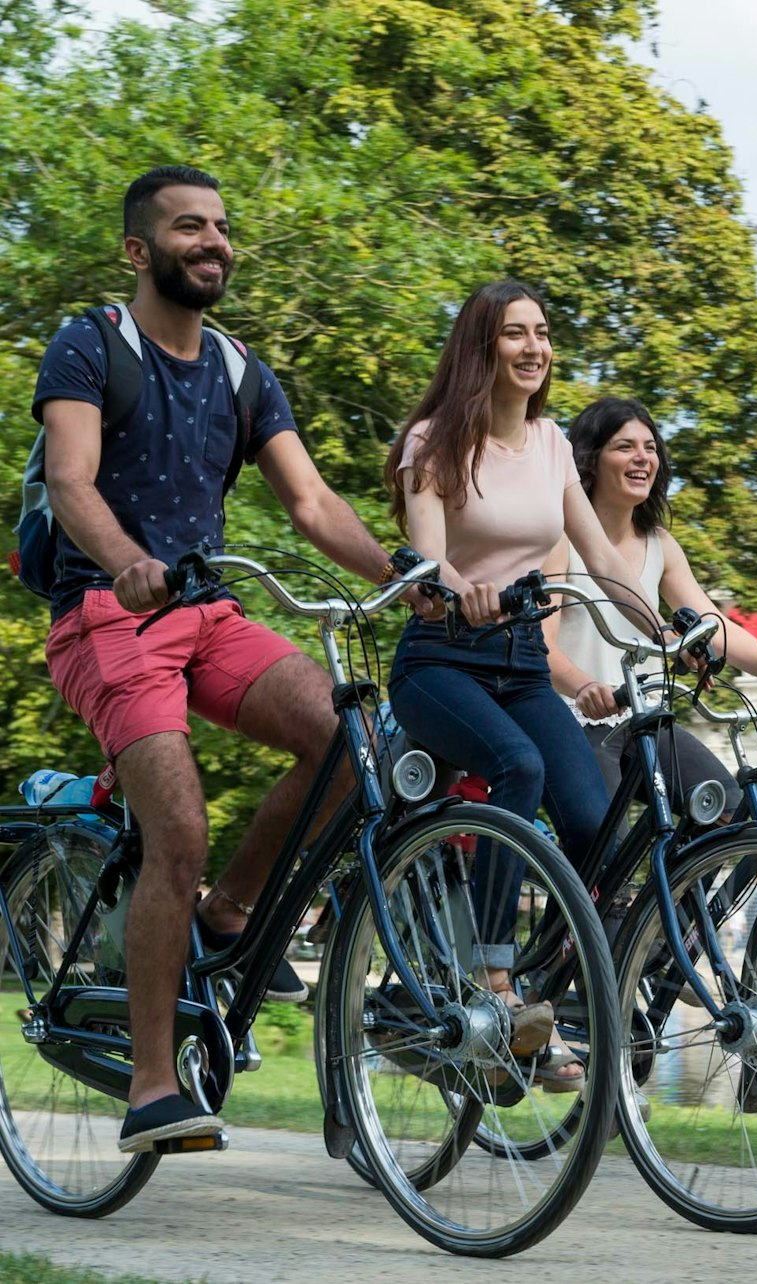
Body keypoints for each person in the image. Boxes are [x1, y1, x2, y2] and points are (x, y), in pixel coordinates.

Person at [34, 166, 417, 1152]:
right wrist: (124, 563)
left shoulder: (242, 371)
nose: (213, 242)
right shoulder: (91, 344)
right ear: (139, 251)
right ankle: (153, 1088)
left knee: (348, 734)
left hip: (208, 617)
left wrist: (409, 576)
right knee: (182, 829)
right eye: (188, 227)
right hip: (106, 615)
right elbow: (72, 481)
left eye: (221, 228)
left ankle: (233, 916)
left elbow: (313, 504)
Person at [385, 280, 653, 1090]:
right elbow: (427, 555)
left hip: (522, 668)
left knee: (592, 817)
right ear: (482, 347)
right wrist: (454, 582)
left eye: (542, 332)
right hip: (441, 660)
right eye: (515, 334)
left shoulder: (549, 447)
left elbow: (604, 560)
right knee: (520, 768)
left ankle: (546, 1003)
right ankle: (491, 979)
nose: (534, 347)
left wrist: (670, 628)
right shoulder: (433, 444)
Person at [542, 396, 757, 817]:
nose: (642, 458)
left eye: (650, 447)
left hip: (647, 721)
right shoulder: (558, 540)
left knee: (738, 814)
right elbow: (541, 647)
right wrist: (585, 687)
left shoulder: (659, 544)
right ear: (590, 460)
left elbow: (713, 625)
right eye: (625, 447)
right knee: (605, 849)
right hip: (575, 722)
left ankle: (687, 884)